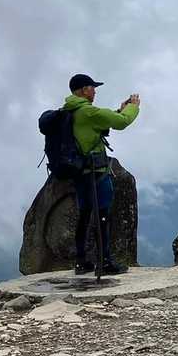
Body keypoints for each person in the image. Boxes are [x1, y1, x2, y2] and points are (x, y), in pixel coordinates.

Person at [63, 74, 141, 275]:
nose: (95, 91)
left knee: (85, 214)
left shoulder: (69, 110)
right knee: (103, 214)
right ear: (83, 90)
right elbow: (122, 122)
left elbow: (99, 123)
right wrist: (133, 107)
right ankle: (104, 261)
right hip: (95, 172)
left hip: (79, 172)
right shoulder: (88, 111)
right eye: (92, 88)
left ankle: (81, 262)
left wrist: (119, 110)